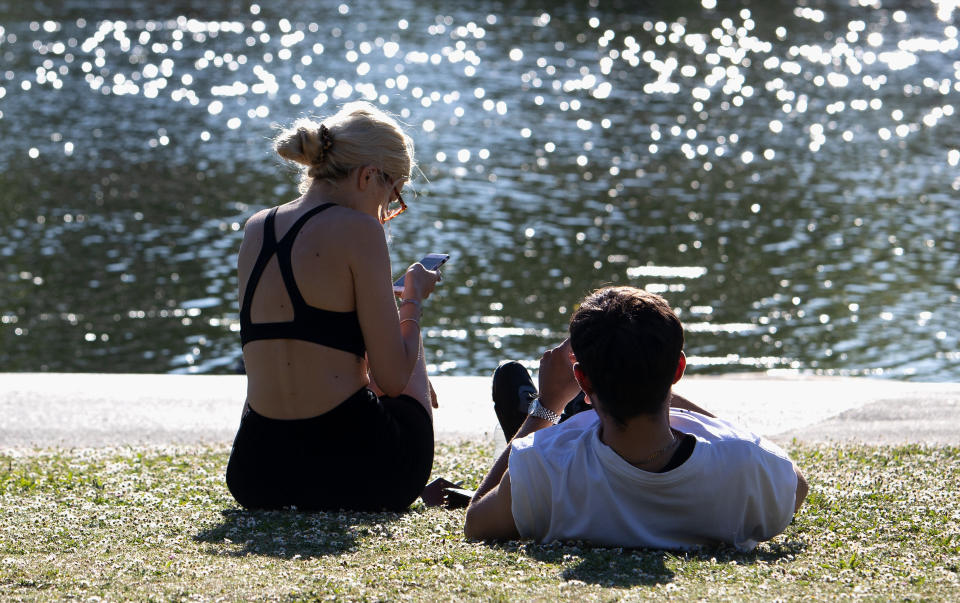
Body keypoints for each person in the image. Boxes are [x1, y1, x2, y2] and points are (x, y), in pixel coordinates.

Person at [464, 286, 808, 550]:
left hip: (565, 434)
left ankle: (556, 410)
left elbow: (476, 520)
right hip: (635, 398)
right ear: (678, 369)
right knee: (583, 415)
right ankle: (581, 408)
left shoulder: (543, 463)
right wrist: (657, 381)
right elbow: (798, 486)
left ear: (582, 379)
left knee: (563, 414)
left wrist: (548, 405)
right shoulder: (746, 464)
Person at [225, 101, 441, 512]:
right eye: (392, 195)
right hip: (353, 474)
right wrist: (412, 299)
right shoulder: (360, 230)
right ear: (367, 176)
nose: (388, 212)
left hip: (256, 472)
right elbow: (393, 380)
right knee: (404, 343)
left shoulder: (257, 227)